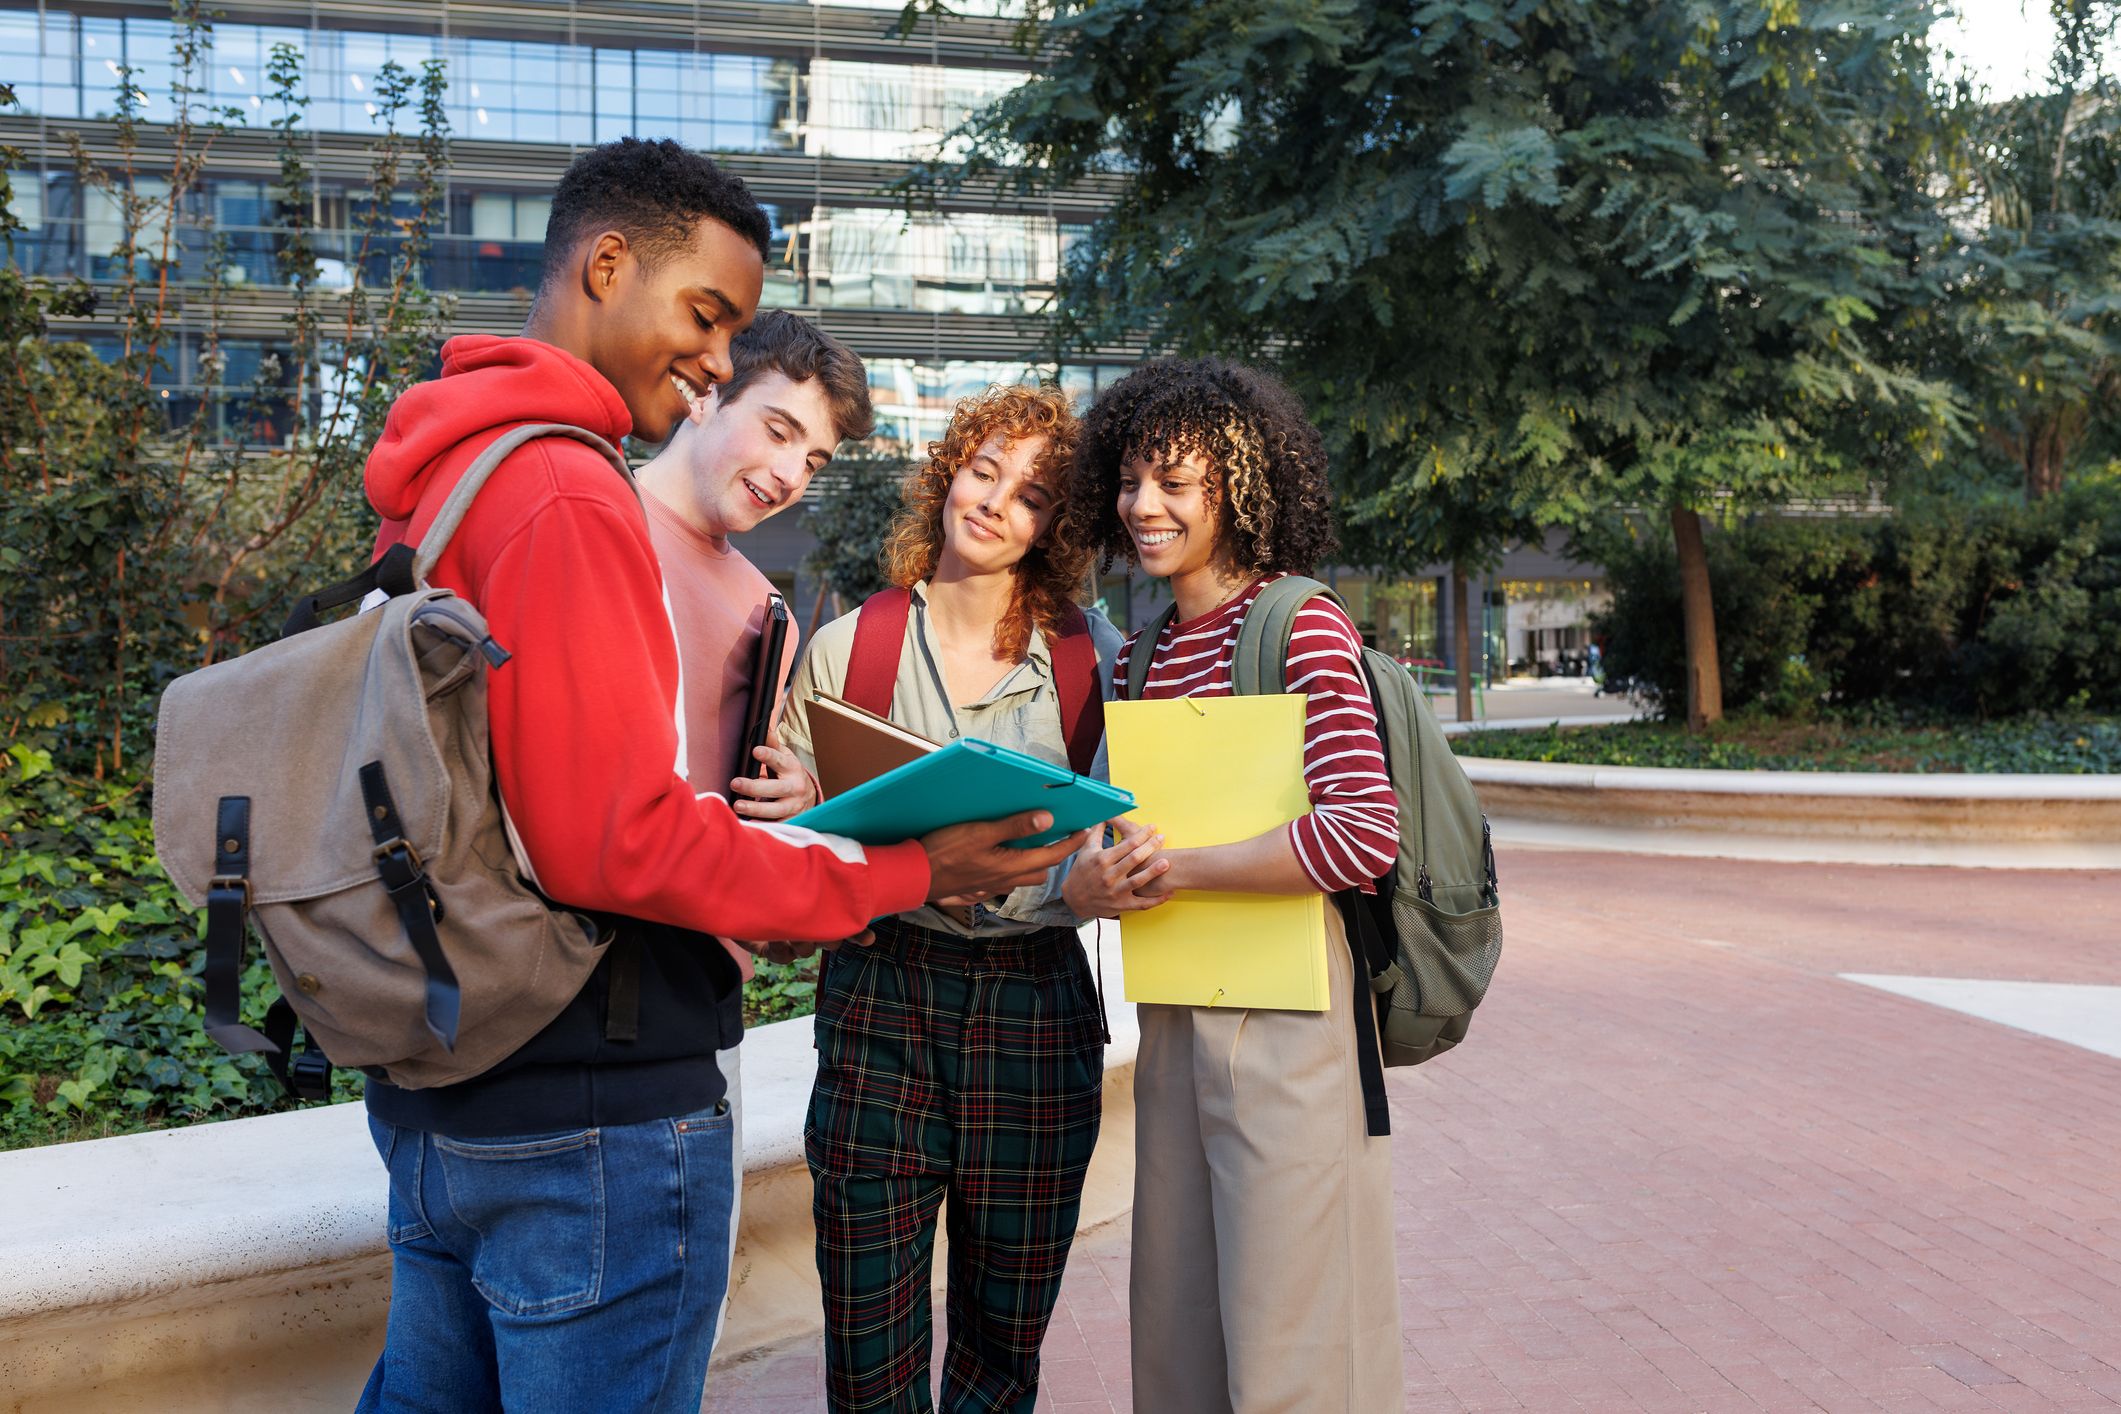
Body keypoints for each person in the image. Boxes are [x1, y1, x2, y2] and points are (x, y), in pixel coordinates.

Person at [354, 138, 1084, 1414]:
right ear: (607, 263)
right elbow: (612, 846)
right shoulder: (573, 501)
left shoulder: (460, 480)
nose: (705, 358)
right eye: (706, 321)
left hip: (448, 1077)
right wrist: (908, 867)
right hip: (592, 1090)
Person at [778, 384, 1164, 1413]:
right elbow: (786, 854)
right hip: (879, 998)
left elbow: (1126, 831)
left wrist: (1088, 887)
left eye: (1031, 494)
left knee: (1002, 1352)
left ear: (1058, 526)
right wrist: (795, 808)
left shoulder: (1096, 664)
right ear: (951, 468)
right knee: (868, 1357)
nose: (994, 502)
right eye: (984, 469)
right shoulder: (846, 650)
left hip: (1035, 1007)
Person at [1065, 357, 1406, 1411]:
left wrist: (1183, 870)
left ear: (1245, 485)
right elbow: (1101, 829)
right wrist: (1098, 880)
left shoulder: (1299, 623)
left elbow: (1362, 834)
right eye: (1129, 480)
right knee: (1175, 1321)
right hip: (1173, 1015)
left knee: (1292, 1333)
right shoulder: (1138, 655)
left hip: (1292, 1021)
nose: (1144, 505)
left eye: (1176, 481)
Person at [631, 307, 875, 1351]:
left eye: (813, 457)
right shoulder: (588, 518)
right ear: (705, 394)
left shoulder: (761, 605)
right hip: (554, 1001)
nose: (791, 472)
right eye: (777, 429)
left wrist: (794, 809)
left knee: (680, 1324)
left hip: (695, 1006)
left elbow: (743, 802)